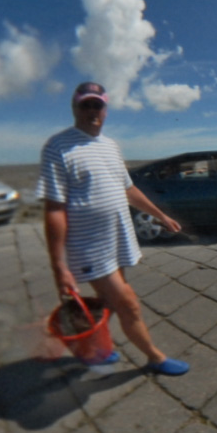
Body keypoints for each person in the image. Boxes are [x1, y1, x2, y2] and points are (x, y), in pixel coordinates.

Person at [38, 82, 191, 375]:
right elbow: (54, 209)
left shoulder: (110, 146)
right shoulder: (58, 147)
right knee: (128, 304)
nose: (92, 110)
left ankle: (93, 348)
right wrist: (59, 266)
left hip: (116, 241)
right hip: (89, 246)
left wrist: (161, 215)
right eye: (85, 104)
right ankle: (155, 358)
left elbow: (128, 189)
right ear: (75, 108)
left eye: (97, 105)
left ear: (105, 110)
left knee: (109, 300)